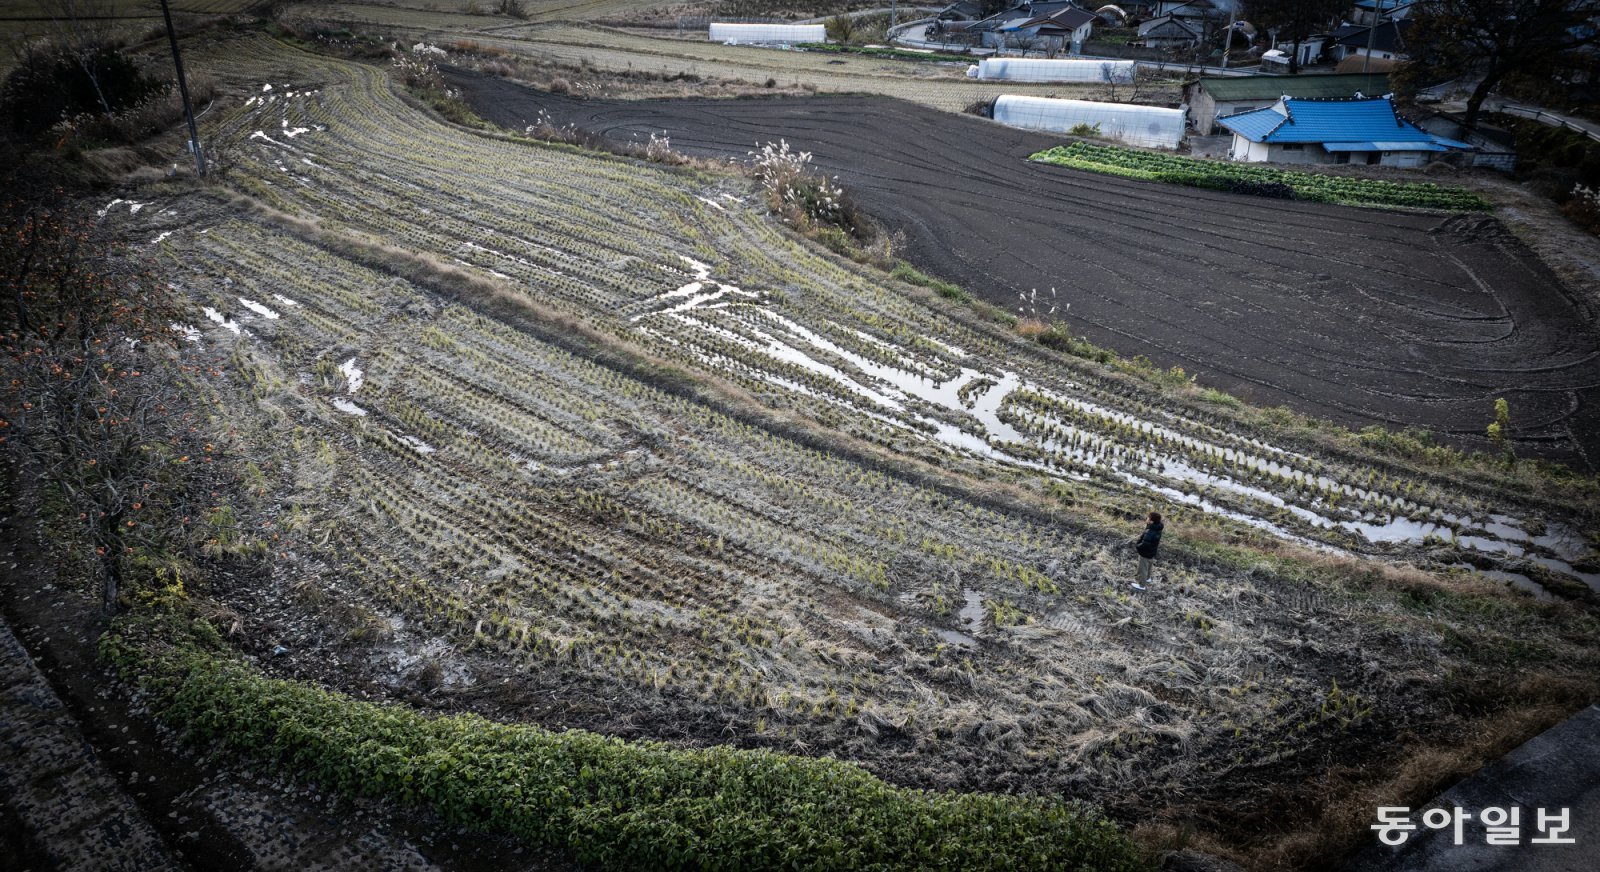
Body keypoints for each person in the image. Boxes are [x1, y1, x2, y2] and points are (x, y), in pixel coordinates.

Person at [1132, 511, 1162, 590]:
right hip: (1152, 551)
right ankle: (1148, 578)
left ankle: (1142, 585)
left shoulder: (1150, 531)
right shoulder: (1157, 527)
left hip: (1145, 552)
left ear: (1152, 521)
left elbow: (1145, 544)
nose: (1147, 518)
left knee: (1143, 568)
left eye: (1148, 517)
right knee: (1149, 565)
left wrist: (1138, 546)